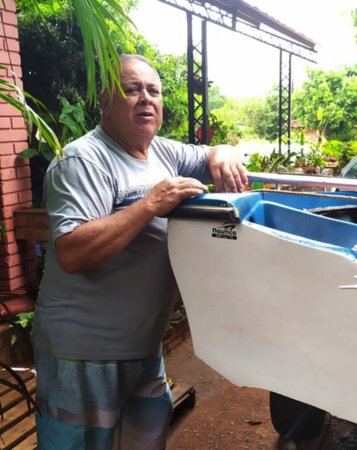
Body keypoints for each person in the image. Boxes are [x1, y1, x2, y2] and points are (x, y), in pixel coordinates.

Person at [32, 54, 248, 450]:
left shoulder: (161, 152)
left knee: (146, 439)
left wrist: (223, 152)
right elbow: (72, 252)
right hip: (84, 352)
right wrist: (149, 204)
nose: (145, 99)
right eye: (131, 90)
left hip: (143, 348)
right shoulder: (83, 160)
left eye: (154, 91)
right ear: (104, 101)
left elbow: (210, 155)